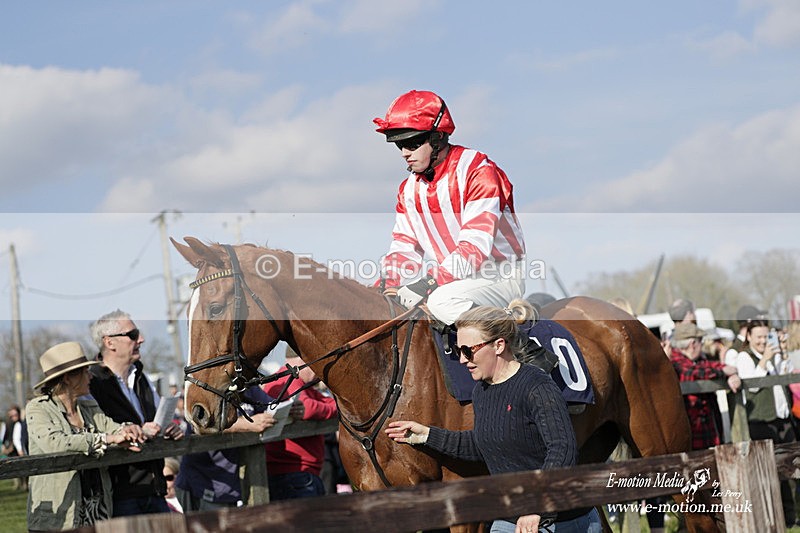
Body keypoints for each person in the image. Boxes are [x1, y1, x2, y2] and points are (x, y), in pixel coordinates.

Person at [386, 300, 600, 532]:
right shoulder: (482, 392)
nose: (462, 360)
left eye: (469, 351)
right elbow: (481, 444)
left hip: (563, 522)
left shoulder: (537, 387)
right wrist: (426, 435)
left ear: (499, 345)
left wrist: (537, 505)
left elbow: (562, 449)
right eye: (459, 351)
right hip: (508, 520)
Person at [374, 90, 526, 325]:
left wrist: (429, 282)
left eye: (412, 142)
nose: (405, 153)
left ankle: (520, 347)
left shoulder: (478, 171)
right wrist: (386, 284)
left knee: (441, 302)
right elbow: (405, 246)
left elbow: (475, 247)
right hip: (450, 280)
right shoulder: (408, 189)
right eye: (399, 145)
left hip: (497, 275)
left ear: (437, 138)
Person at [26, 341, 146, 531]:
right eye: (85, 371)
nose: (90, 376)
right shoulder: (38, 409)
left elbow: (113, 429)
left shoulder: (89, 407)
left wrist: (129, 430)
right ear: (68, 378)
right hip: (58, 517)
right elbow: (55, 443)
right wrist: (107, 439)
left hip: (97, 514)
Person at [88, 309, 184, 517]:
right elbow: (91, 433)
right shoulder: (92, 384)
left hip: (154, 487)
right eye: (132, 334)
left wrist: (168, 428)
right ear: (109, 342)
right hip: (120, 494)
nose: (141, 339)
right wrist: (139, 431)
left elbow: (157, 420)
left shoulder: (142, 378)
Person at [733, 319, 796, 526]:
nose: (762, 341)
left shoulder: (772, 354)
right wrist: (764, 361)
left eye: (765, 336)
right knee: (769, 473)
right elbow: (750, 386)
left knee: (789, 468)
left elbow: (783, 377)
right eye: (758, 337)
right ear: (749, 337)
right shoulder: (745, 357)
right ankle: (774, 518)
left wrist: (782, 355)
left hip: (782, 419)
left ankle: (790, 516)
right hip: (761, 421)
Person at [175, 386, 276, 511]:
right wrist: (245, 424)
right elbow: (200, 422)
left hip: (228, 483)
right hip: (199, 480)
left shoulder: (249, 386)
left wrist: (291, 409)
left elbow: (272, 408)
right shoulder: (208, 383)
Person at [262, 351, 338, 501]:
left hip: (299, 473)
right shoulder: (287, 380)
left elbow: (335, 405)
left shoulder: (302, 384)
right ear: (304, 360)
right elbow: (308, 407)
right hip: (294, 473)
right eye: (315, 364)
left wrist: (318, 408)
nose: (319, 372)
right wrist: (319, 408)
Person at [669, 323, 741, 449]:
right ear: (693, 344)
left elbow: (710, 366)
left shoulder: (697, 360)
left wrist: (729, 373)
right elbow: (693, 372)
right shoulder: (674, 361)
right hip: (690, 431)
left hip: (707, 431)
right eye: (700, 341)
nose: (702, 345)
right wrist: (723, 372)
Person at [2, 404, 28, 490]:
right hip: (12, 449)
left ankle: (24, 484)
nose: (13, 417)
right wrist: (5, 447)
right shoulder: (8, 424)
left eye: (15, 414)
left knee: (23, 467)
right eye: (11, 415)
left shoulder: (21, 424)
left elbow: (17, 438)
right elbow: (7, 437)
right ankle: (17, 484)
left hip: (17, 449)